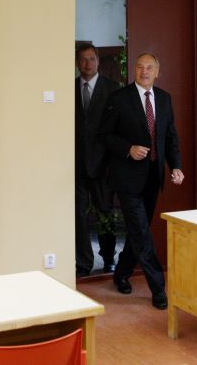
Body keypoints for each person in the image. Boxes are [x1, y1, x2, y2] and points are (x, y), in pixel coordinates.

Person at [98, 52, 184, 309]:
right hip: (127, 179)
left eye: (149, 68)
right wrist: (128, 148)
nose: (144, 71)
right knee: (142, 234)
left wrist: (176, 166)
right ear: (134, 70)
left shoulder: (164, 99)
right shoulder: (119, 98)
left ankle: (121, 273)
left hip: (153, 178)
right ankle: (159, 289)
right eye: (140, 67)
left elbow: (170, 137)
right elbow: (104, 135)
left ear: (157, 72)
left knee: (139, 230)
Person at [75, 44, 120, 277]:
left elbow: (117, 128)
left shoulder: (112, 89)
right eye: (83, 59)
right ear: (77, 63)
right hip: (76, 164)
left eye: (92, 58)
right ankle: (83, 263)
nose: (88, 64)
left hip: (103, 165)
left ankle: (109, 257)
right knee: (79, 215)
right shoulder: (69, 88)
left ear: (98, 61)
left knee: (105, 213)